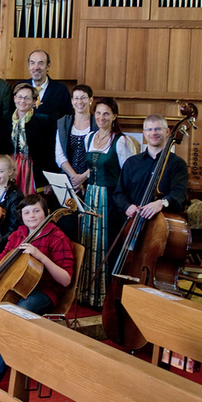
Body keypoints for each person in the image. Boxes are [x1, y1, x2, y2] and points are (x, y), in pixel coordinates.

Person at [0, 194, 74, 385]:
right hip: (11, 285)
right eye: (27, 212)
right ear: (21, 216)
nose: (31, 216)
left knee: (17, 312)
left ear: (46, 212)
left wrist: (41, 256)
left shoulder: (57, 237)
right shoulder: (18, 234)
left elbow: (65, 280)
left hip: (45, 291)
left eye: (36, 211)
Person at [78, 98, 135, 309]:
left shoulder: (121, 141)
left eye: (106, 114)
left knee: (106, 243)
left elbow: (127, 175)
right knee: (89, 242)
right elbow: (91, 169)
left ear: (114, 116)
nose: (101, 117)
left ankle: (105, 297)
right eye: (98, 113)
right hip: (91, 196)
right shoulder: (90, 137)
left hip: (110, 199)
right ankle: (87, 293)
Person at [9, 82, 51, 195]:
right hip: (11, 167)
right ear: (14, 98)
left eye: (27, 98)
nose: (22, 101)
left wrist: (47, 181)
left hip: (33, 169)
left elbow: (49, 152)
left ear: (34, 101)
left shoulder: (43, 121)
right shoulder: (5, 120)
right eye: (20, 97)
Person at [55, 85, 97, 193]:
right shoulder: (63, 122)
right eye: (76, 98)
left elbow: (100, 157)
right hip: (68, 180)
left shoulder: (97, 123)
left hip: (92, 180)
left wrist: (83, 177)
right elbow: (59, 156)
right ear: (72, 101)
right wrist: (75, 179)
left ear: (91, 100)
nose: (79, 101)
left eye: (83, 98)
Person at [24, 49, 72, 121]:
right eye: (32, 63)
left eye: (40, 63)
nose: (36, 67)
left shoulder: (61, 90)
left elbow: (67, 118)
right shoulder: (21, 88)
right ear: (28, 65)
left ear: (48, 66)